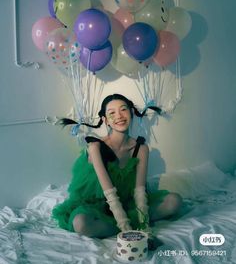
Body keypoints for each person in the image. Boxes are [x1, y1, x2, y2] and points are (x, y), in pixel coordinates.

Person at [52, 94, 182, 249]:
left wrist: (145, 227)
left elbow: (140, 190)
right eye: (112, 113)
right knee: (81, 224)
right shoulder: (95, 147)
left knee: (175, 201)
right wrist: (127, 229)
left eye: (123, 110)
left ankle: (129, 224)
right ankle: (123, 227)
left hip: (126, 202)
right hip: (97, 205)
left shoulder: (141, 148)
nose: (119, 116)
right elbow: (110, 195)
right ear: (105, 120)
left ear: (131, 113)